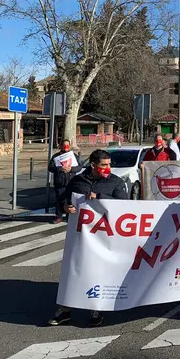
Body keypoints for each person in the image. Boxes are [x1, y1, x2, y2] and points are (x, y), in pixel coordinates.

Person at [49, 149, 129, 327]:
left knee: (98, 271)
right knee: (73, 271)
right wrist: (65, 207)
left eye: (109, 164)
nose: (108, 168)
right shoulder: (78, 181)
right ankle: (66, 309)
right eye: (104, 165)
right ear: (93, 165)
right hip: (80, 236)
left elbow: (125, 207)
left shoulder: (115, 182)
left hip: (104, 236)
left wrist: (100, 197)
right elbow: (63, 200)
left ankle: (96, 309)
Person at [48, 139, 79, 224]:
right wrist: (59, 169)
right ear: (61, 146)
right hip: (60, 182)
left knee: (70, 201)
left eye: (67, 146)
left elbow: (79, 167)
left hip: (71, 182)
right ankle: (59, 216)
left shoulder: (74, 156)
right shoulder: (55, 156)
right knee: (59, 200)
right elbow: (50, 167)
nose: (66, 147)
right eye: (64, 145)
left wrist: (71, 169)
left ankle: (69, 217)